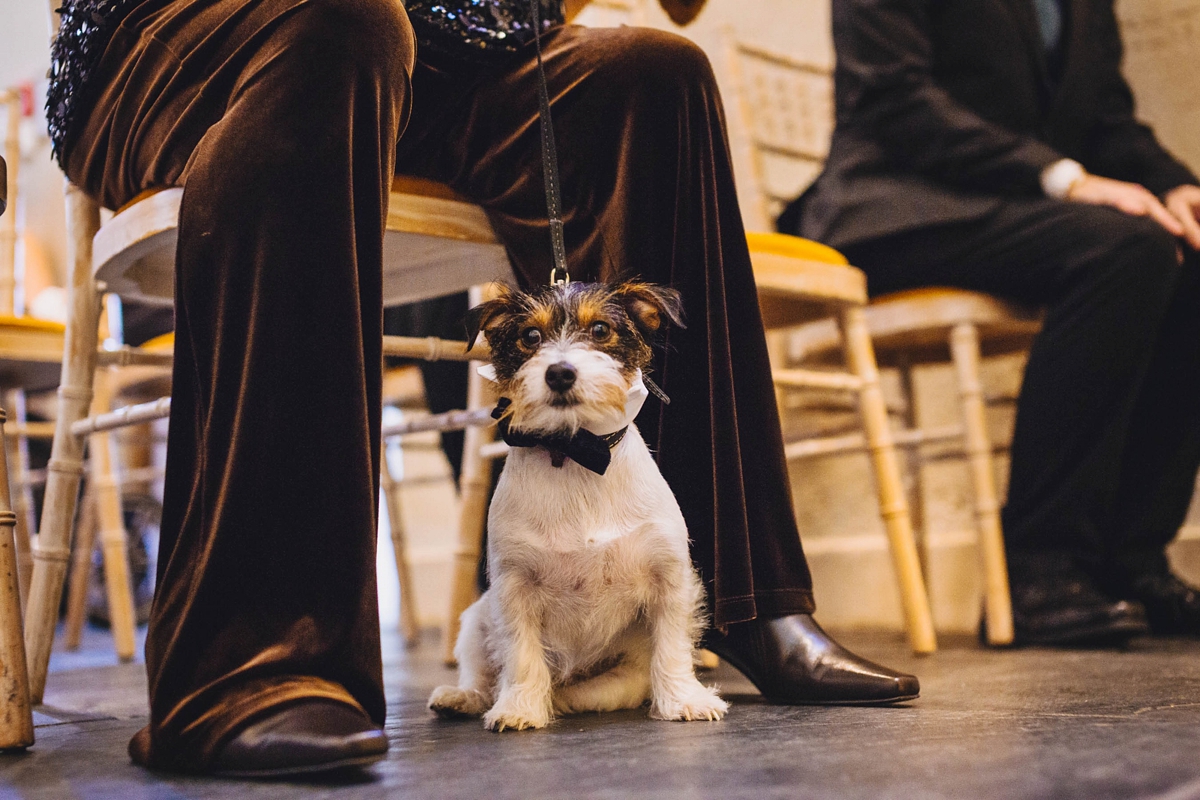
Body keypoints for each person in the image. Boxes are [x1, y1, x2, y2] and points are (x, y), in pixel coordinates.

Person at [50, 0, 918, 778]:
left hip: (437, 51)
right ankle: (258, 662)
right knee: (343, 21)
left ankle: (735, 595)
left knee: (655, 76)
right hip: (174, 43)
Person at [783, 0, 1200, 647]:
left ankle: (1130, 560)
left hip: (1005, 203)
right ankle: (1041, 568)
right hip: (894, 206)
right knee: (1127, 249)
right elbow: (894, 100)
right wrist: (1064, 178)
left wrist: (1172, 183)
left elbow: (1107, 120)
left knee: (1189, 255)